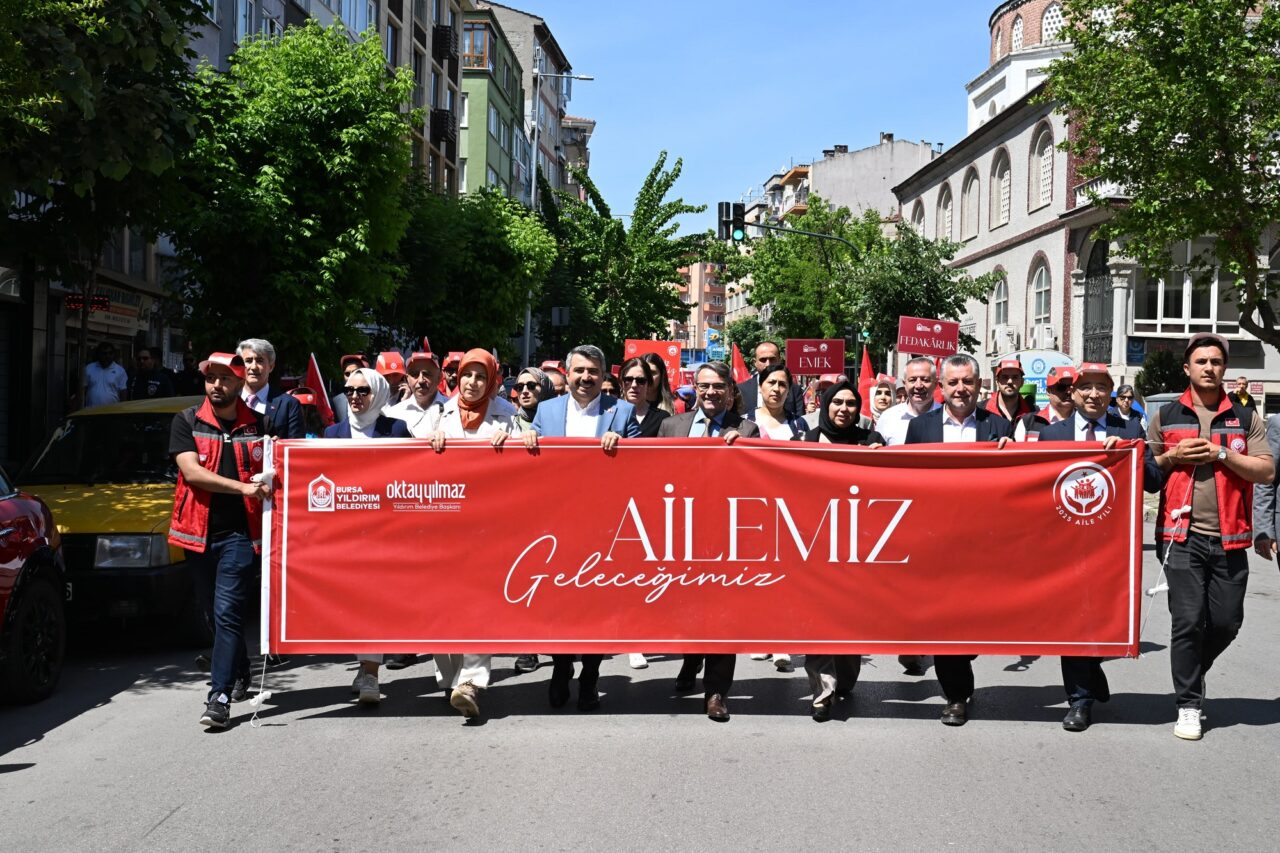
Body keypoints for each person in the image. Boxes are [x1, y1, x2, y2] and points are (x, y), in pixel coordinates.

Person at [1149, 333, 1272, 741]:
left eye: (1215, 362)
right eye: (1201, 361)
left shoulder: (1244, 418)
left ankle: (1193, 671)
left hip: (1231, 538)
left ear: (1224, 369)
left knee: (1226, 622)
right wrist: (1172, 457)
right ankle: (1188, 704)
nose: (1208, 368)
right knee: (1187, 621)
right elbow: (1148, 475)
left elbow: (1266, 471)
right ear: (1187, 368)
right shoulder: (1166, 416)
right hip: (1179, 537)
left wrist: (1223, 454)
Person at [1039, 363, 1163, 732]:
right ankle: (1079, 700)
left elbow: (1154, 481)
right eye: (1086, 387)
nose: (1094, 394)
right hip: (1066, 546)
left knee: (1103, 618)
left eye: (1101, 387)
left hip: (1113, 546)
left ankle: (1091, 672)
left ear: (1111, 394)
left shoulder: (1128, 429)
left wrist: (1129, 452)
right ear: (1073, 393)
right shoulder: (1052, 435)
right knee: (1072, 621)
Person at [523, 345, 641, 710]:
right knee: (558, 604)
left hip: (604, 526)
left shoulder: (622, 411)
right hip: (557, 524)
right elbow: (528, 463)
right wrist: (527, 441)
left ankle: (590, 676)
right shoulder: (546, 410)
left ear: (604, 376)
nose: (586, 377)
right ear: (567, 374)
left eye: (593, 371)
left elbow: (647, 461)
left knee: (596, 608)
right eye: (579, 371)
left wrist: (625, 446)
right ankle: (561, 669)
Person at [905, 354, 1014, 726]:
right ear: (942, 387)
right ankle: (955, 697)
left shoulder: (999, 427)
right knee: (945, 621)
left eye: (967, 381)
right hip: (936, 543)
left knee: (974, 622)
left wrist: (1010, 453)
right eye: (953, 382)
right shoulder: (920, 428)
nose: (960, 389)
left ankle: (963, 654)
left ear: (980, 385)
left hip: (983, 543)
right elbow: (905, 479)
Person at [168, 352, 269, 728]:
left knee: (227, 612)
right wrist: (243, 487)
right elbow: (192, 473)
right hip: (197, 534)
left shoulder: (259, 423)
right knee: (212, 614)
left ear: (241, 382)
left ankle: (219, 698)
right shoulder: (186, 421)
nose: (216, 385)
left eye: (225, 378)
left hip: (240, 537)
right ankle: (240, 668)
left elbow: (277, 471)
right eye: (211, 378)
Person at [659, 361, 760, 722]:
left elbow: (756, 483)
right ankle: (690, 660)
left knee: (722, 614)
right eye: (704, 386)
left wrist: (743, 450)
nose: (711, 392)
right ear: (695, 390)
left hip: (725, 536)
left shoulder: (746, 429)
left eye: (718, 386)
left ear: (730, 391)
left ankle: (716, 691)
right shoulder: (671, 426)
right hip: (678, 533)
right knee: (686, 608)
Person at [426, 349, 517, 717]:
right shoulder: (438, 413)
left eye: (481, 376)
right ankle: (452, 679)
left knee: (479, 601)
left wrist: (516, 440)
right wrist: (428, 442)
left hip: (488, 525)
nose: (473, 382)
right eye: (467, 375)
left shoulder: (508, 415)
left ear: (492, 380)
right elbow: (411, 459)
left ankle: (472, 681)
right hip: (443, 526)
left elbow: (531, 450)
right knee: (441, 603)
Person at [797, 379, 885, 720]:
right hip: (815, 546)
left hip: (858, 548)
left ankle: (844, 678)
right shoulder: (806, 441)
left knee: (849, 620)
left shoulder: (870, 440)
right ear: (826, 405)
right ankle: (822, 694)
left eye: (851, 404)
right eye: (837, 402)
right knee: (819, 620)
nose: (844, 409)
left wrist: (881, 458)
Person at [322, 367, 409, 704]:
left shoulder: (396, 430)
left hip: (385, 532)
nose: (355, 397)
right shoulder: (333, 433)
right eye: (349, 390)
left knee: (374, 601)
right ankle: (364, 666)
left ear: (378, 393)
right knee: (355, 604)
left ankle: (371, 673)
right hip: (346, 535)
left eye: (363, 391)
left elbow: (412, 474)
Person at [506, 365, 559, 676]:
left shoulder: (560, 422)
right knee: (525, 576)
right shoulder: (506, 422)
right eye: (519, 387)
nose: (524, 391)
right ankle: (527, 645)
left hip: (554, 507)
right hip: (519, 511)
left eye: (532, 386)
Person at [237, 338, 305, 439]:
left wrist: (278, 445)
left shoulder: (289, 405)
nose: (254, 367)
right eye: (248, 361)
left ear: (271, 366)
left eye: (260, 361)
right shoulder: (229, 400)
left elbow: (295, 446)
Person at [385, 351, 447, 438]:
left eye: (427, 374)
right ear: (407, 379)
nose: (421, 380)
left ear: (439, 377)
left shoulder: (455, 409)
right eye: (414, 374)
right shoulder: (393, 414)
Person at [739, 341, 805, 419]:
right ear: (755, 362)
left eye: (772, 359)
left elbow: (800, 420)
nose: (768, 364)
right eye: (763, 360)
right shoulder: (741, 390)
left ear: (779, 360)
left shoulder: (794, 390)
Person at [618, 356, 670, 438]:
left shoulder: (662, 418)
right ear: (621, 382)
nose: (634, 385)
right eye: (628, 379)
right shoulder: (610, 414)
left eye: (641, 381)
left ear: (648, 384)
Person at [83, 342, 129, 408]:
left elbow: (123, 393)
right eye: (104, 353)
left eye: (110, 353)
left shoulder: (120, 371)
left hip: (112, 411)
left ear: (113, 354)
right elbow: (82, 391)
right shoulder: (89, 368)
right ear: (99, 354)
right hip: (91, 411)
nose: (107, 356)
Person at [330, 354, 367, 422]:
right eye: (347, 374)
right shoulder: (336, 402)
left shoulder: (374, 397)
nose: (351, 376)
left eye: (355, 372)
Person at [639, 352, 677, 416]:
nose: (648, 377)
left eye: (652, 372)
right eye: (644, 372)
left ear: (661, 375)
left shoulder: (675, 406)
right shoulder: (628, 406)